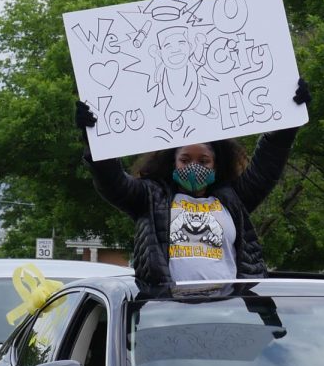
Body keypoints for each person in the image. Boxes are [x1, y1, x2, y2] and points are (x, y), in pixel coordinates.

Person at [79, 79, 311, 285]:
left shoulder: (233, 200)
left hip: (229, 311)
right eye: (185, 159)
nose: (194, 166)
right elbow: (113, 182)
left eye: (204, 160)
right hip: (168, 313)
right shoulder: (150, 199)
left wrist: (288, 121)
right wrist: (95, 140)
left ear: (216, 165)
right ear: (173, 163)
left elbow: (267, 165)